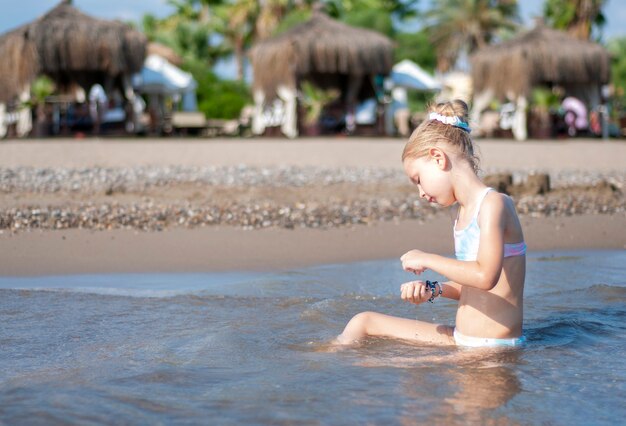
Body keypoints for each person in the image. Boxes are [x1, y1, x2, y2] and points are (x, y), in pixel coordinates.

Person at [336, 100, 527, 348]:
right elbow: (471, 285)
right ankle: (325, 363)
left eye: (418, 179)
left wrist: (427, 259)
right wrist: (433, 289)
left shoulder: (494, 204)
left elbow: (485, 277)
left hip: (492, 350)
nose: (421, 193)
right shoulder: (462, 214)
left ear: (437, 158)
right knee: (363, 322)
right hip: (464, 341)